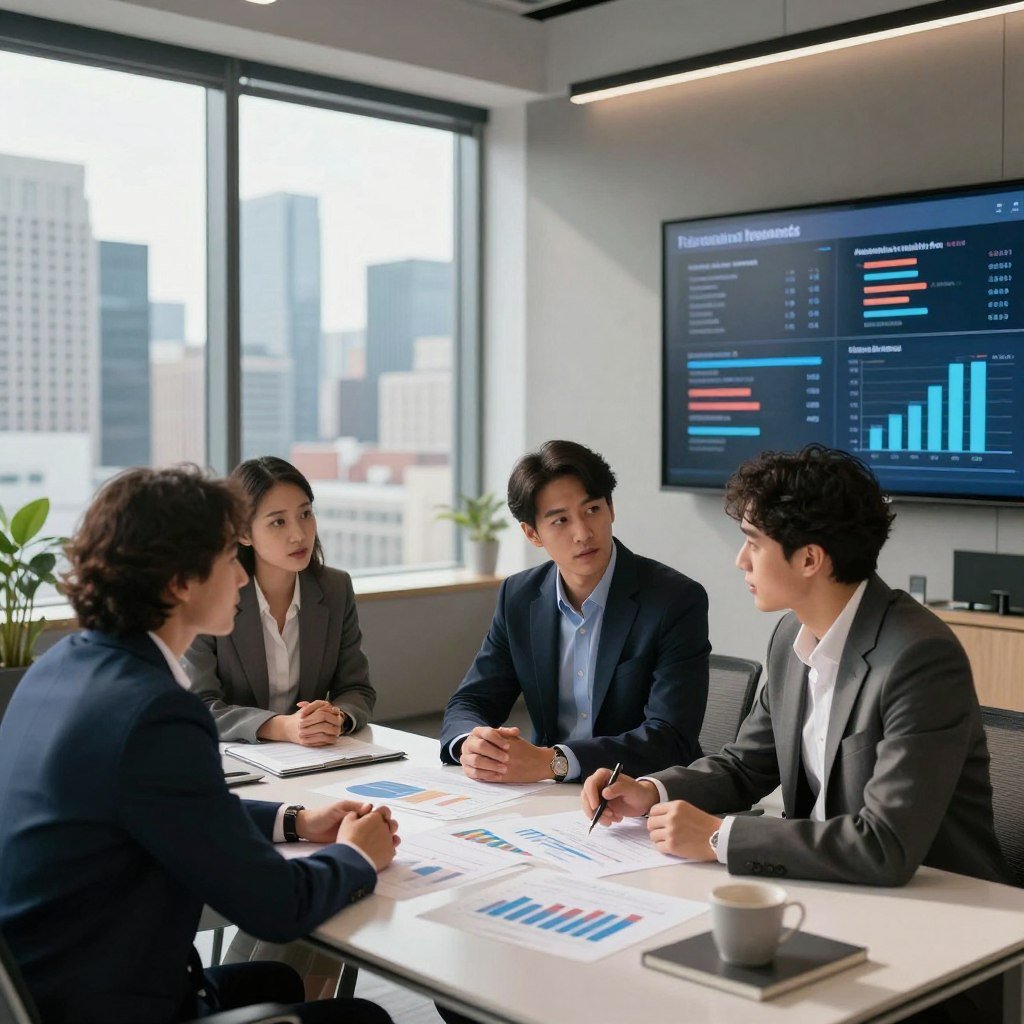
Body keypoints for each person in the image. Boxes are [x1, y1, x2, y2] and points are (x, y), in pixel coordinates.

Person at [0, 466, 399, 1024]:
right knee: (364, 1018)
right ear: (178, 582)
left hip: (54, 989)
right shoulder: (156, 711)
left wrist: (294, 820)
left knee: (279, 979)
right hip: (115, 1005)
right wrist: (358, 855)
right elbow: (275, 906)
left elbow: (172, 806)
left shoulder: (55, 668)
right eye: (225, 559)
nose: (240, 577)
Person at [582, 444, 1010, 890]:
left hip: (943, 909)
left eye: (753, 543)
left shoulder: (919, 658)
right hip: (828, 885)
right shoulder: (791, 637)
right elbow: (745, 768)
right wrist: (650, 792)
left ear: (809, 559)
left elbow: (885, 845)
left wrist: (717, 837)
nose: (740, 560)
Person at [440, 439, 710, 784]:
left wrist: (554, 762)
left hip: (640, 796)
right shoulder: (519, 597)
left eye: (592, 510)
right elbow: (471, 700)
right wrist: (472, 745)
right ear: (532, 534)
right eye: (560, 521)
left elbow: (670, 738)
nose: (583, 533)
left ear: (611, 508)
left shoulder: (674, 599)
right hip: (548, 796)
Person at [184, 455, 375, 747]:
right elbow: (198, 704)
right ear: (245, 533)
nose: (298, 534)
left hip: (315, 757)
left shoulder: (335, 588)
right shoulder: (210, 594)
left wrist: (336, 718)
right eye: (278, 522)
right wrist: (280, 727)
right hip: (230, 760)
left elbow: (356, 688)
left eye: (305, 514)